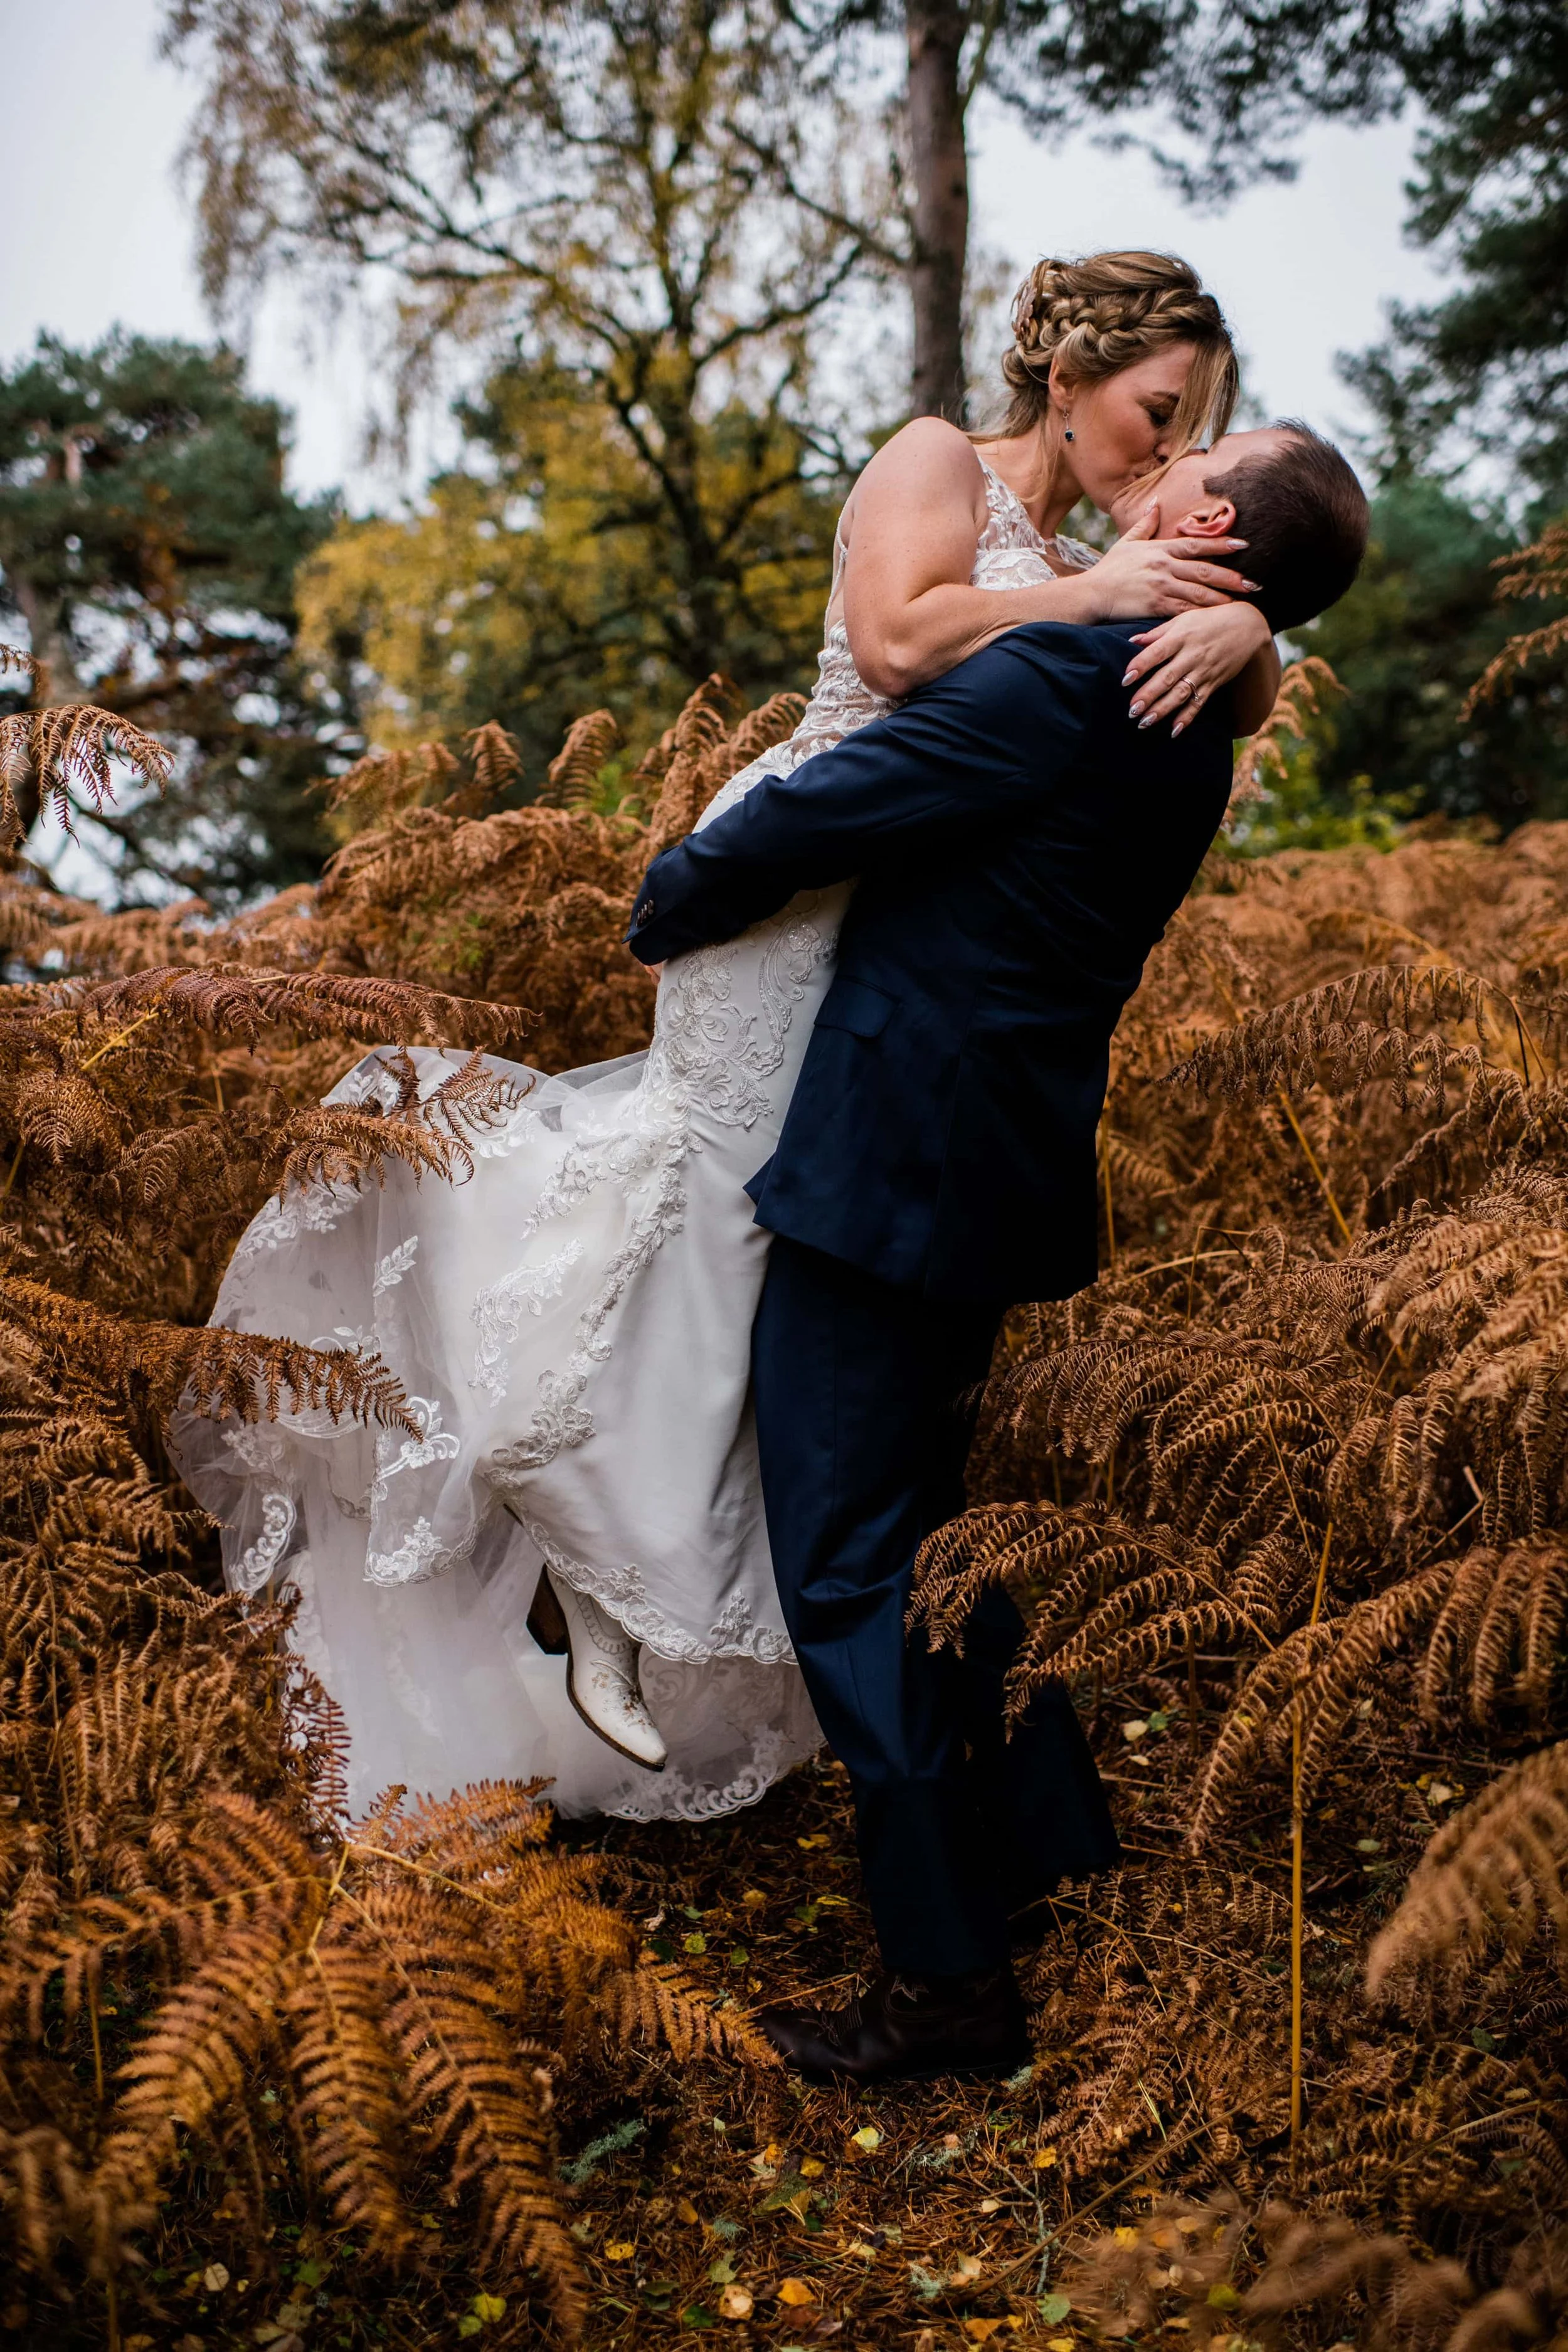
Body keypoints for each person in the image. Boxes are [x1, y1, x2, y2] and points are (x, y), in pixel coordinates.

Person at [171, 252, 1278, 1827]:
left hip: (881, 932)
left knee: (769, 1279)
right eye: (1158, 415)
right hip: (781, 897)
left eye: (1198, 434)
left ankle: (627, 1568)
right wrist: (1092, 593)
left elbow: (1197, 650)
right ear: (1066, 375)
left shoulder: (1114, 552)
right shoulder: (933, 463)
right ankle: (575, 1534)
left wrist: (1245, 642)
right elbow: (897, 651)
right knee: (697, 1209)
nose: (1167, 459)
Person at [625, 415, 1370, 2080]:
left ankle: (945, 1985)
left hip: (890, 1167)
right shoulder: (1190, 728)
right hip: (998, 1165)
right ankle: (1054, 1863)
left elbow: (836, 800)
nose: (1165, 468)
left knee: (846, 1566)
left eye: (1201, 458)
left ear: (1202, 523)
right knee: (946, 1542)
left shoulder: (1068, 684)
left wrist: (671, 890)